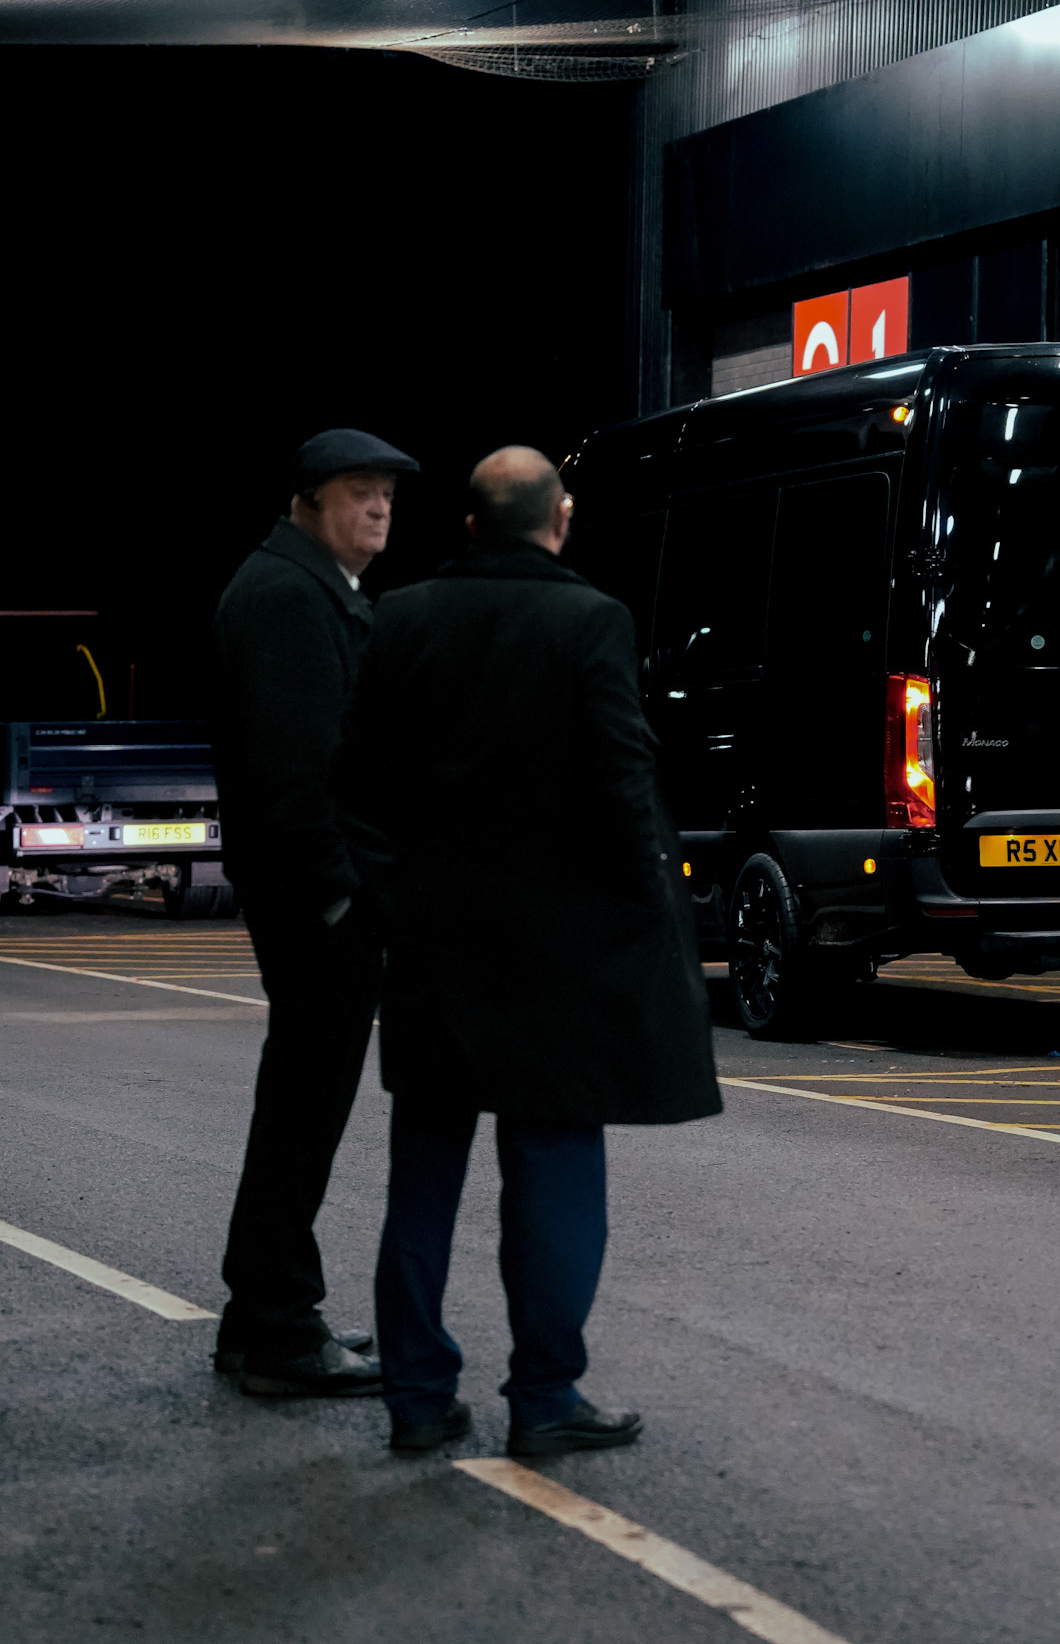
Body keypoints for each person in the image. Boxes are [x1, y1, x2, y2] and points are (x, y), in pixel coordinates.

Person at [335, 445, 720, 1455]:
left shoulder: (401, 616)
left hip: (432, 951)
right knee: (553, 1169)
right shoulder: (589, 620)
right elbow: (624, 788)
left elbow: (356, 788)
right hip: (560, 959)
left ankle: (418, 1395)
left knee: (421, 1175)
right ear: (562, 518)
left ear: (469, 526)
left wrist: (394, 899)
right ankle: (545, 1394)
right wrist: (660, 932)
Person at [212, 428, 420, 1396]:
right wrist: (341, 897)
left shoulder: (310, 587)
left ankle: (261, 1318)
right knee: (302, 1110)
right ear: (307, 499)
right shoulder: (288, 597)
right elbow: (291, 773)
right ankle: (280, 1328)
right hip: (315, 906)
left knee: (300, 1105)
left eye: (386, 495)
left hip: (313, 899)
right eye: (359, 493)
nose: (378, 509)